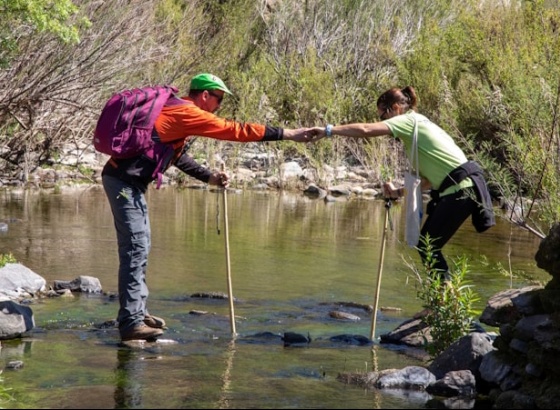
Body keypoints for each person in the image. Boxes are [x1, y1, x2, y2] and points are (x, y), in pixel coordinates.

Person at [102, 73, 313, 342]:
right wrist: (288, 134)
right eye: (219, 99)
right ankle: (131, 322)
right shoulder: (188, 112)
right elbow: (234, 130)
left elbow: (177, 156)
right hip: (123, 181)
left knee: (141, 245)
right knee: (136, 246)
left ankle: (136, 312)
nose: (219, 106)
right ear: (205, 95)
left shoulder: (176, 110)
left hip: (127, 181)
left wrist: (209, 177)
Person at [310, 86, 495, 277]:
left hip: (461, 189)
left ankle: (445, 302)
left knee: (428, 246)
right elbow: (428, 182)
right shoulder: (417, 127)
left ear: (396, 108)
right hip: (462, 187)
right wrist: (398, 192)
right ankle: (444, 301)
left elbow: (365, 129)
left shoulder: (408, 121)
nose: (383, 122)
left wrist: (329, 130)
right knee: (428, 246)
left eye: (383, 117)